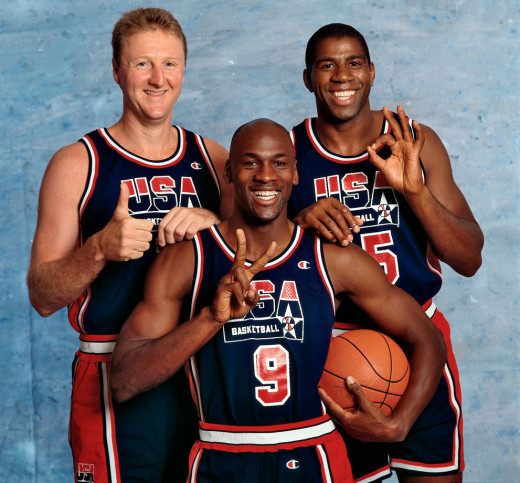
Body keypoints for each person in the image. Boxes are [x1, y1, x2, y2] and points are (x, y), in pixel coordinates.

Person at [109, 118, 446, 483]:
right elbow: (125, 381)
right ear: (228, 172)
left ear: (296, 173)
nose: (266, 175)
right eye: (250, 162)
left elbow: (427, 337)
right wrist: (209, 318)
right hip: (219, 457)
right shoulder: (186, 261)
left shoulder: (334, 260)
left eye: (279, 163)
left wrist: (401, 423)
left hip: (314, 456)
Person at [26, 7, 232, 483]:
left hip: (202, 364)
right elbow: (41, 295)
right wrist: (98, 248)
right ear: (117, 70)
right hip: (110, 371)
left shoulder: (214, 158)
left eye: (170, 63)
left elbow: (259, 253)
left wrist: (212, 222)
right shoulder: (77, 163)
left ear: (185, 70)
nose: (158, 78)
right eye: (142, 64)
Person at [287, 23, 484, 483]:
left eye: (354, 62)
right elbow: (256, 265)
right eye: (327, 65)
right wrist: (296, 225)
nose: (342, 76)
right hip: (336, 352)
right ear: (307, 78)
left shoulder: (415, 141)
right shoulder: (287, 157)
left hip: (420, 344)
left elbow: (470, 259)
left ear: (371, 72)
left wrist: (415, 193)